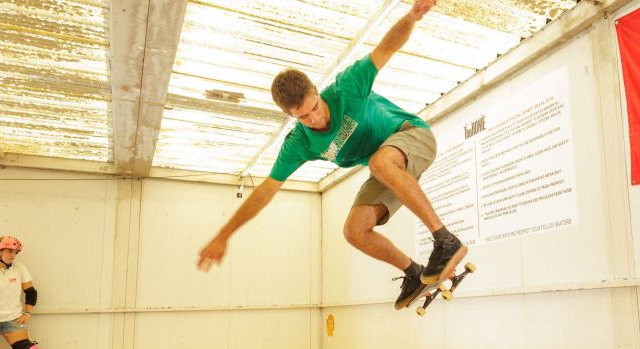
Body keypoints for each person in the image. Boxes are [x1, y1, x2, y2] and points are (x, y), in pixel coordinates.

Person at [196, 0, 466, 310]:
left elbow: (385, 49)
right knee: (354, 230)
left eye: (315, 107)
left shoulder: (347, 87)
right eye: (304, 117)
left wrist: (412, 16)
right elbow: (265, 192)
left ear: (317, 92)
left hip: (411, 135)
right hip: (386, 165)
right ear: (291, 116)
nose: (315, 119)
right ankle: (413, 273)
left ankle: (445, 240)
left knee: (379, 162)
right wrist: (223, 235)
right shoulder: (299, 143)